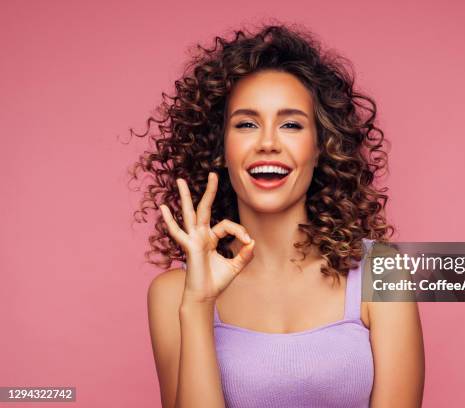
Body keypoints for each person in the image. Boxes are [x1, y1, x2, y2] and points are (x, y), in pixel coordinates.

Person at [132, 22, 425, 408]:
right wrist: (199, 305)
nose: (268, 142)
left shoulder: (382, 273)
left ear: (322, 147)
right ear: (221, 147)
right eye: (246, 124)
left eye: (290, 124)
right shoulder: (174, 295)